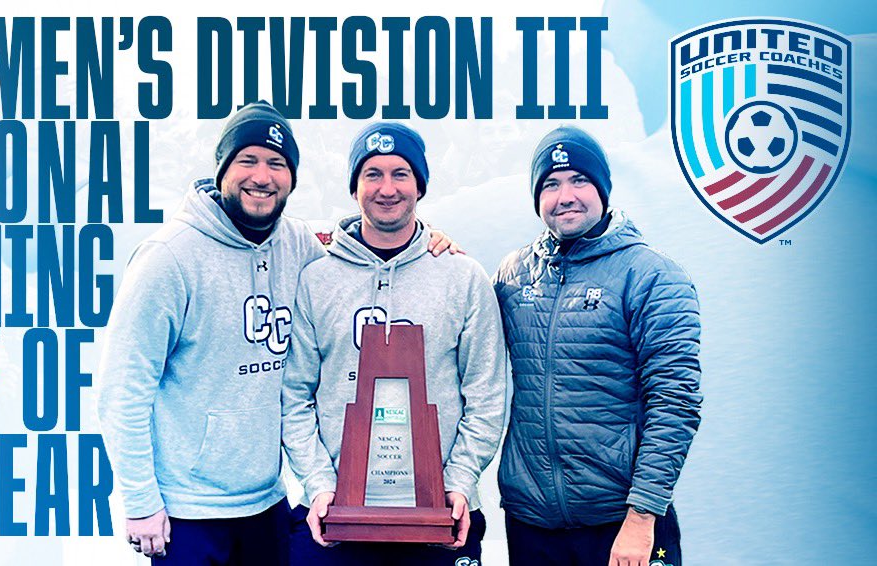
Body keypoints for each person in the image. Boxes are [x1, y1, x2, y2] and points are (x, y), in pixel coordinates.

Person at [97, 102, 458, 565]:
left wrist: (426, 241)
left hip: (268, 501)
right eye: (247, 160)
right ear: (222, 168)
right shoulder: (168, 259)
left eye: (276, 164)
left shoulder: (297, 243)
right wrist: (141, 501)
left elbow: (361, 244)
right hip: (186, 512)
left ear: (291, 177)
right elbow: (122, 389)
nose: (262, 177)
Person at [282, 122, 507, 566]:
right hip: (335, 518)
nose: (387, 188)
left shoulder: (462, 277)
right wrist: (319, 484)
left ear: (420, 185)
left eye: (401, 174)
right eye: (372, 174)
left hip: (440, 518)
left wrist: (458, 481)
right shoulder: (316, 279)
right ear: (354, 187)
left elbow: (486, 396)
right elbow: (294, 396)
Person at [493, 126, 702, 566]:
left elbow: (675, 402)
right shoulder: (512, 276)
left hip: (621, 524)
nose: (565, 195)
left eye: (579, 180)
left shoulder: (651, 274)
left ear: (603, 189)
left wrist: (642, 516)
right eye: (550, 184)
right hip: (532, 525)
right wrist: (432, 242)